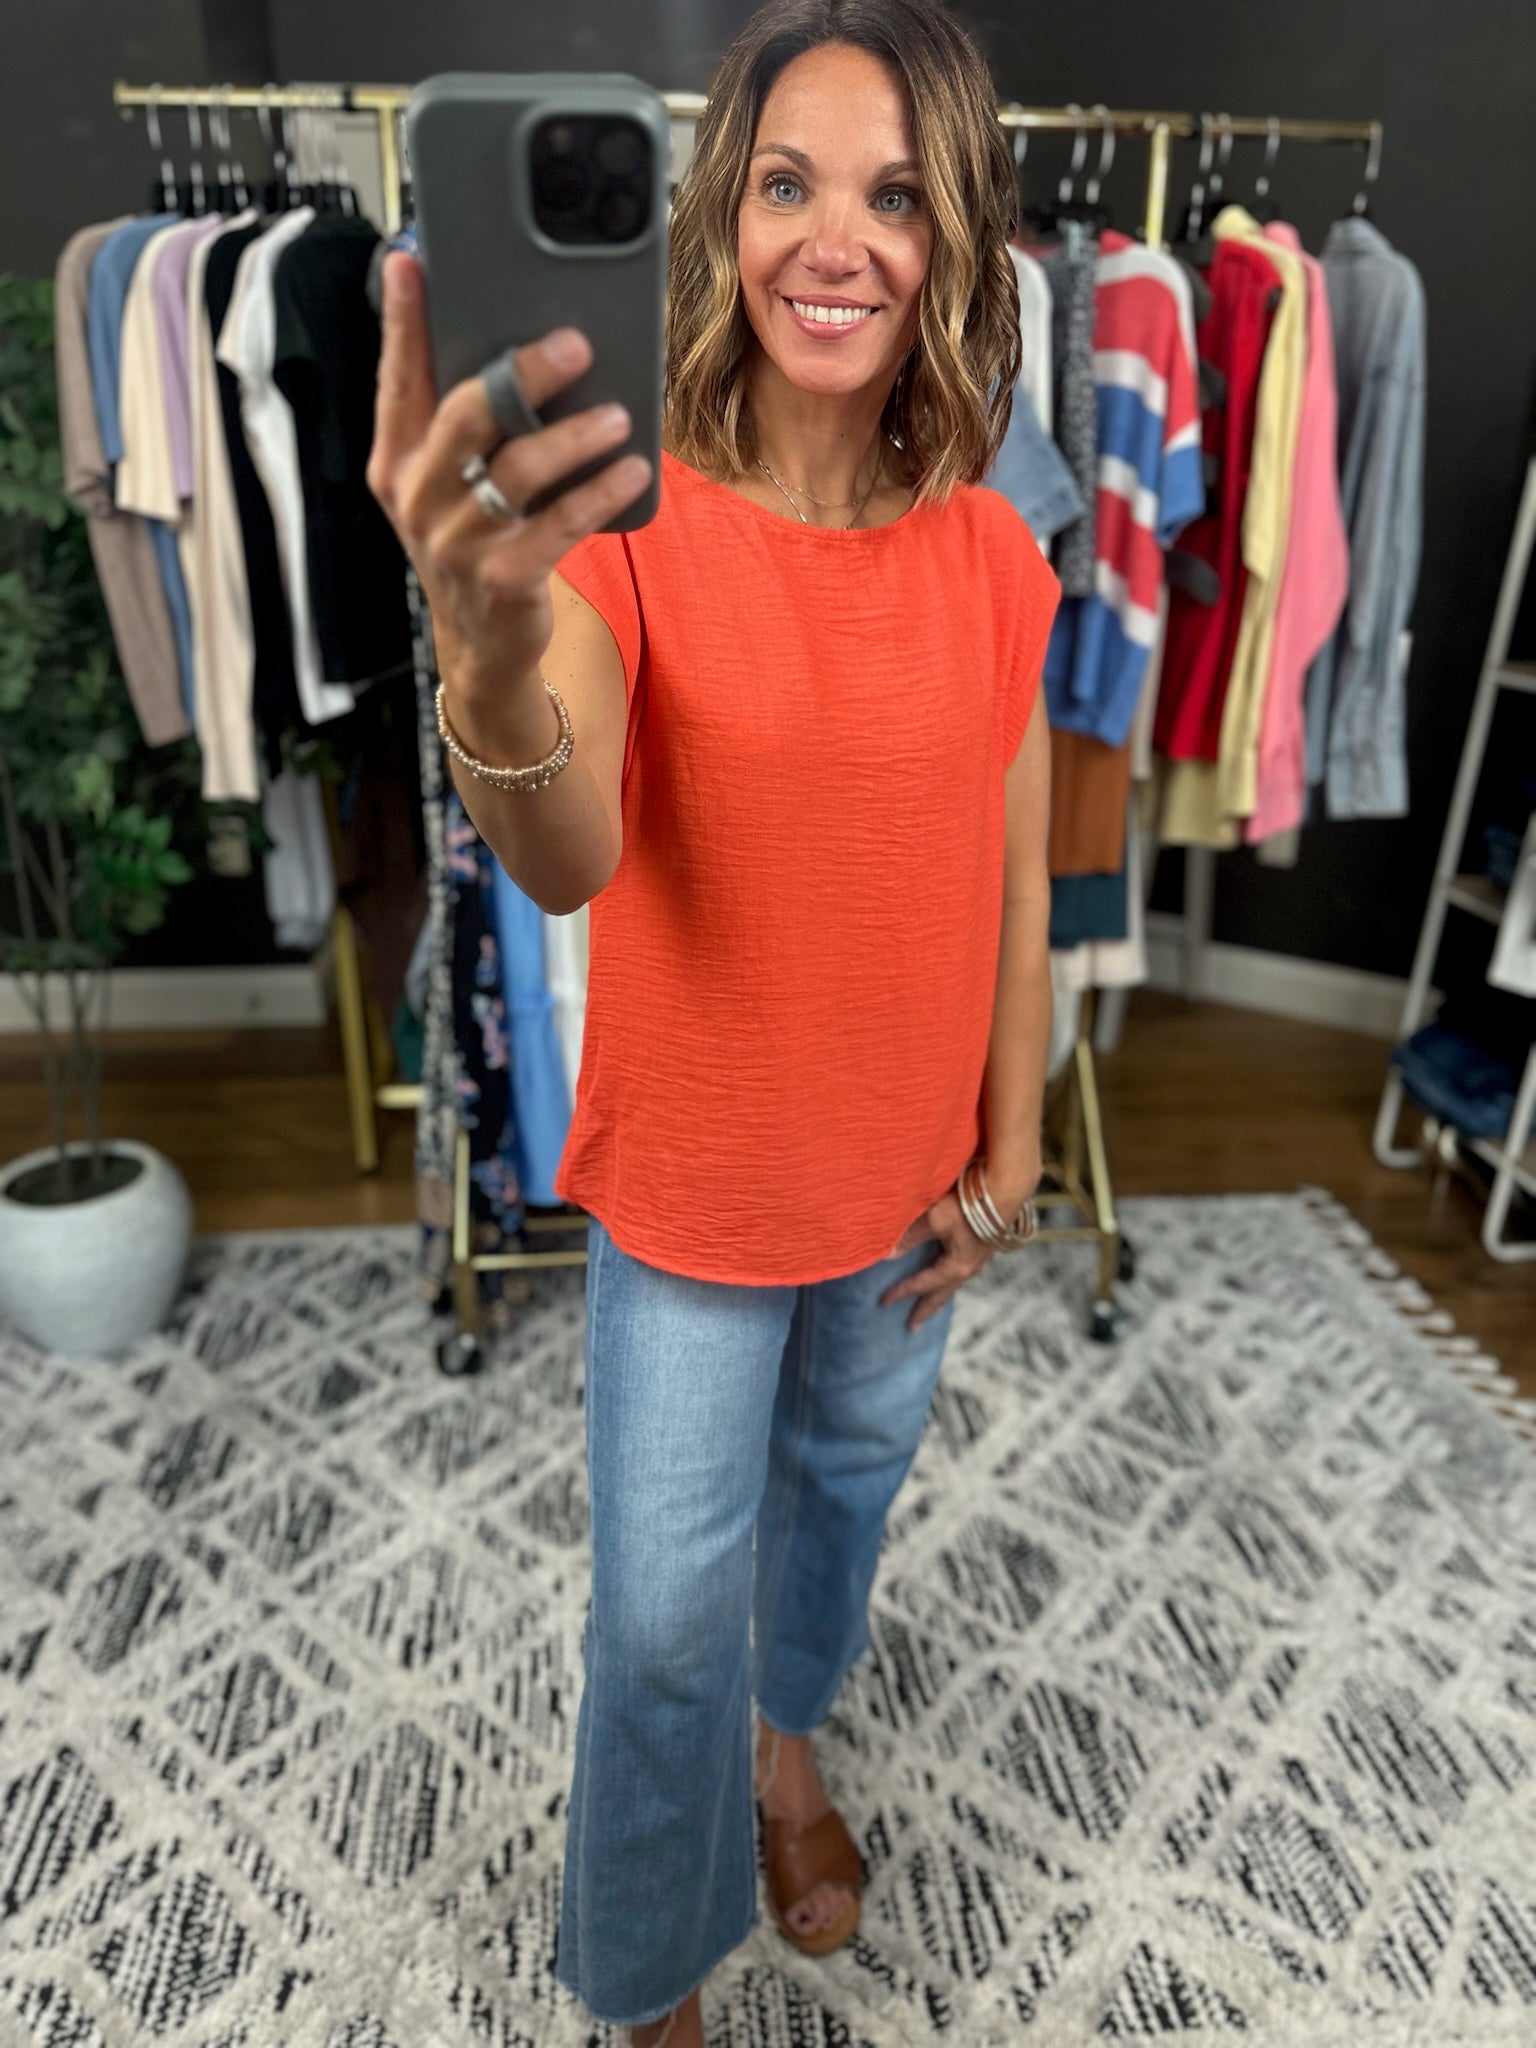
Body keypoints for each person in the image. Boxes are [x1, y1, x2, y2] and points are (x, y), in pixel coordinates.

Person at [367, 2, 1058, 2039]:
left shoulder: (995, 545)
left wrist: (1016, 1141)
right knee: (664, 1614)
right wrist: (488, 655)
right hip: (694, 1191)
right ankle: (655, 1958)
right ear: (719, 221)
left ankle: (788, 1743)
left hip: (908, 1180)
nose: (838, 240)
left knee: (839, 1505)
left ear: (954, 239)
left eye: (897, 195)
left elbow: (1013, 872)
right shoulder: (630, 531)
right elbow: (564, 852)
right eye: (786, 183)